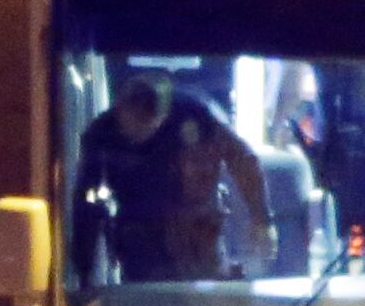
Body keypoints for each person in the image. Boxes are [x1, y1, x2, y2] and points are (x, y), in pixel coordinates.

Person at [72, 74, 267, 286]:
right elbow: (86, 203)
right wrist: (84, 272)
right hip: (140, 238)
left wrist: (260, 217)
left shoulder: (195, 115)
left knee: (207, 301)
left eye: (148, 123)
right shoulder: (100, 134)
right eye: (133, 121)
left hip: (196, 233)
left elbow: (242, 159)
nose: (139, 132)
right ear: (120, 110)